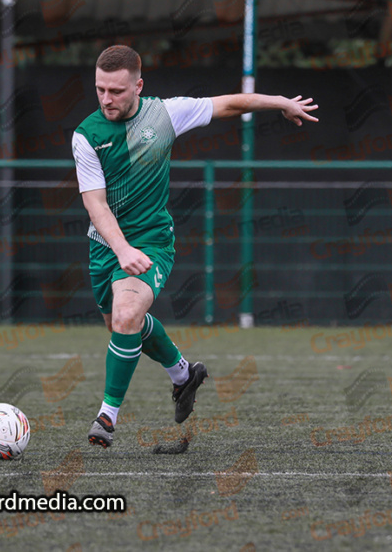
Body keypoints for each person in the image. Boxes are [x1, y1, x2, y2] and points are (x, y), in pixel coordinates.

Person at [71, 45, 319, 448]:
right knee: (122, 326)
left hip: (151, 241)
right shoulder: (86, 135)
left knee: (128, 314)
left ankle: (106, 417)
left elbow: (230, 104)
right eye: (99, 89)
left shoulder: (164, 114)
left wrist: (280, 103)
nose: (105, 99)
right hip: (106, 248)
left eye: (116, 91)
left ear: (138, 85)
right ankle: (183, 375)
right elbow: (95, 204)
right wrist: (120, 250)